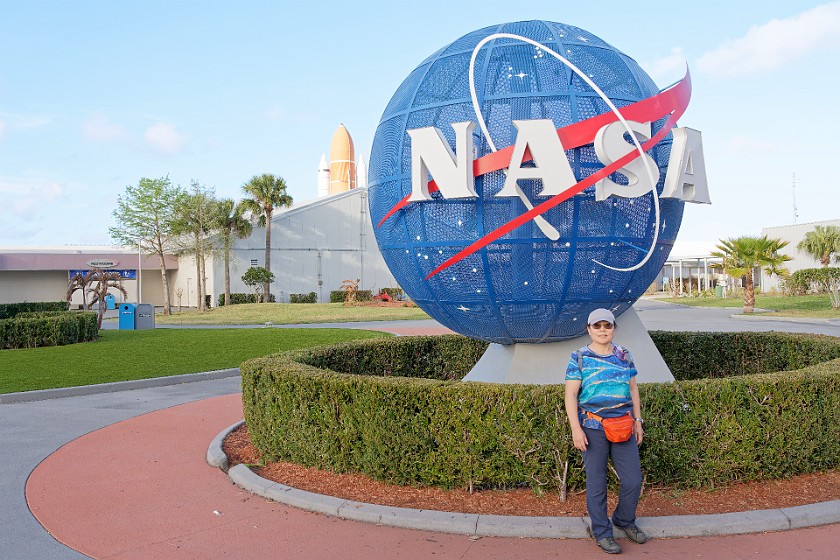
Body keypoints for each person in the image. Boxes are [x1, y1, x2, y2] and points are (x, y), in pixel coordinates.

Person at [564, 308, 647, 555]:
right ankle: (602, 532)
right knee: (597, 483)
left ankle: (624, 519)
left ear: (614, 328)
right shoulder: (579, 357)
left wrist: (638, 421)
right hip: (592, 428)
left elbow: (633, 389)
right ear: (588, 329)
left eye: (607, 325)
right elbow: (571, 394)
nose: (602, 330)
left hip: (623, 427)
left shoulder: (624, 355)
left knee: (632, 480)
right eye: (597, 326)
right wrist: (576, 429)